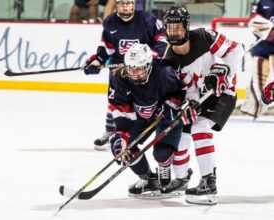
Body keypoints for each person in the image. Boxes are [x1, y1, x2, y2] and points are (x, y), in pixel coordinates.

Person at [161, 6, 245, 205]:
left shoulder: (204, 36)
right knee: (181, 135)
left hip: (223, 93)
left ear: (187, 26)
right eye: (170, 28)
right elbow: (186, 87)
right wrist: (189, 102)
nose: (175, 32)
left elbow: (237, 49)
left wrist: (223, 69)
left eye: (178, 28)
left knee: (200, 127)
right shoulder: (170, 61)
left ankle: (209, 182)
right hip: (200, 95)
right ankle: (181, 179)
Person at [108, 42, 194, 197]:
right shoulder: (120, 78)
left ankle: (166, 173)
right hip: (142, 117)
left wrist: (171, 104)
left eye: (139, 69)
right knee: (118, 146)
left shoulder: (163, 73)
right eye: (131, 69)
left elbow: (180, 93)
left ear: (148, 65)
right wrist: (123, 135)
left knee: (161, 153)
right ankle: (149, 179)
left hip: (165, 114)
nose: (134, 74)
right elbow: (120, 108)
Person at [83, 0, 167, 150]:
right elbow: (106, 47)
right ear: (116, 5)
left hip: (144, 69)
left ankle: (136, 130)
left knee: (144, 100)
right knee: (115, 101)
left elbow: (162, 42)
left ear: (134, 5)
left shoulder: (148, 20)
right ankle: (111, 131)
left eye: (128, 3)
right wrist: (97, 61)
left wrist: (149, 57)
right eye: (122, 4)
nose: (126, 7)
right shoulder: (110, 22)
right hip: (119, 70)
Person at [240, 0, 274, 118]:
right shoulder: (262, 2)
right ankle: (254, 107)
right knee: (258, 80)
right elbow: (253, 19)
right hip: (263, 47)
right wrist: (266, 29)